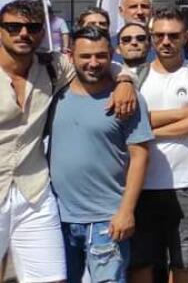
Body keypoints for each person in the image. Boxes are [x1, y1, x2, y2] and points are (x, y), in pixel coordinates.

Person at [49, 26, 152, 283]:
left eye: (100, 56)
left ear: (111, 55)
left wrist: (126, 211)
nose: (93, 63)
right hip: (57, 217)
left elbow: (140, 156)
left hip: (107, 220)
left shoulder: (128, 100)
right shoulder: (54, 93)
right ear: (71, 56)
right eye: (85, 56)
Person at [131, 7, 188, 283]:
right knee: (141, 262)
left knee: (183, 262)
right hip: (143, 185)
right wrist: (183, 113)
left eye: (173, 35)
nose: (165, 41)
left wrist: (150, 133)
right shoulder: (135, 76)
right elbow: (133, 120)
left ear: (186, 38)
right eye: (159, 36)